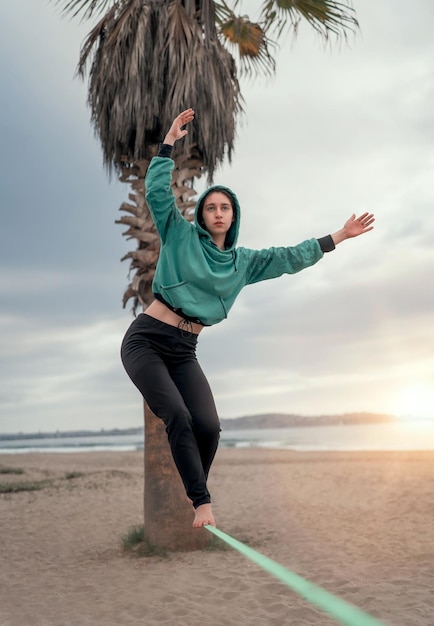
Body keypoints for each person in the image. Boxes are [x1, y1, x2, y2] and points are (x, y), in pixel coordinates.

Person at [121, 108, 375, 529]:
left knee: (210, 426)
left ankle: (194, 494)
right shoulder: (179, 234)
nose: (218, 213)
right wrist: (168, 143)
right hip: (146, 339)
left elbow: (290, 257)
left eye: (225, 208)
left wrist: (340, 236)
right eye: (211, 207)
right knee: (179, 418)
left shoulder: (243, 263)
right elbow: (157, 192)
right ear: (202, 215)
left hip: (185, 349)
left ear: (233, 216)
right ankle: (202, 501)